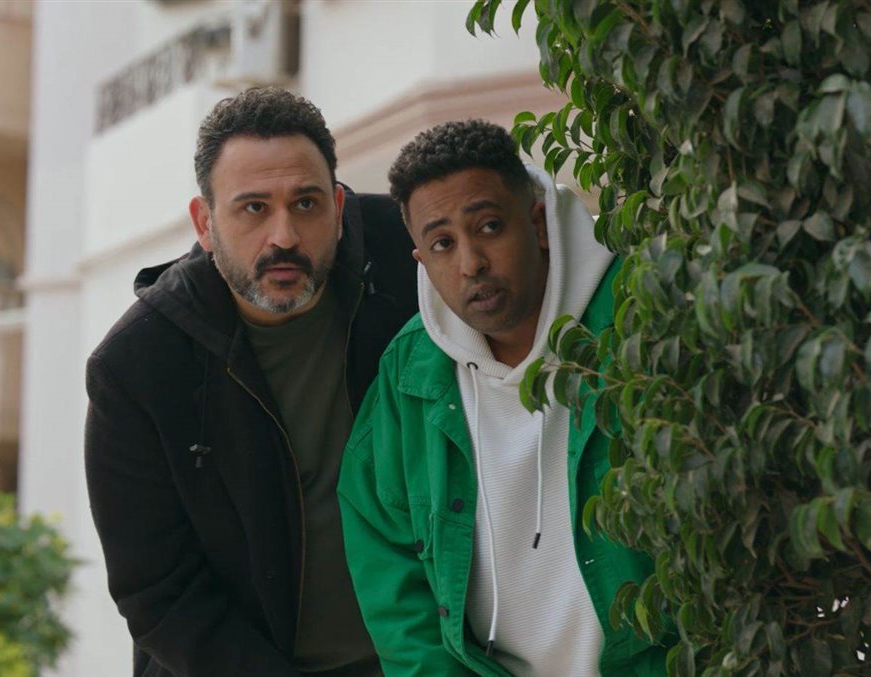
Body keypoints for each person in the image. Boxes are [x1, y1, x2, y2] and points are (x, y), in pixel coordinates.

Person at [84, 87, 417, 676]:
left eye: (306, 204)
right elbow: (157, 592)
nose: (283, 236)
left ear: (339, 208)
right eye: (254, 208)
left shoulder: (407, 255)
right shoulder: (137, 366)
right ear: (205, 223)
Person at [338, 119, 668, 676]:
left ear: (537, 223)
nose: (470, 263)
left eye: (488, 227)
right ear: (422, 261)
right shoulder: (408, 377)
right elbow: (391, 578)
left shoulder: (638, 319)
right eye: (443, 244)